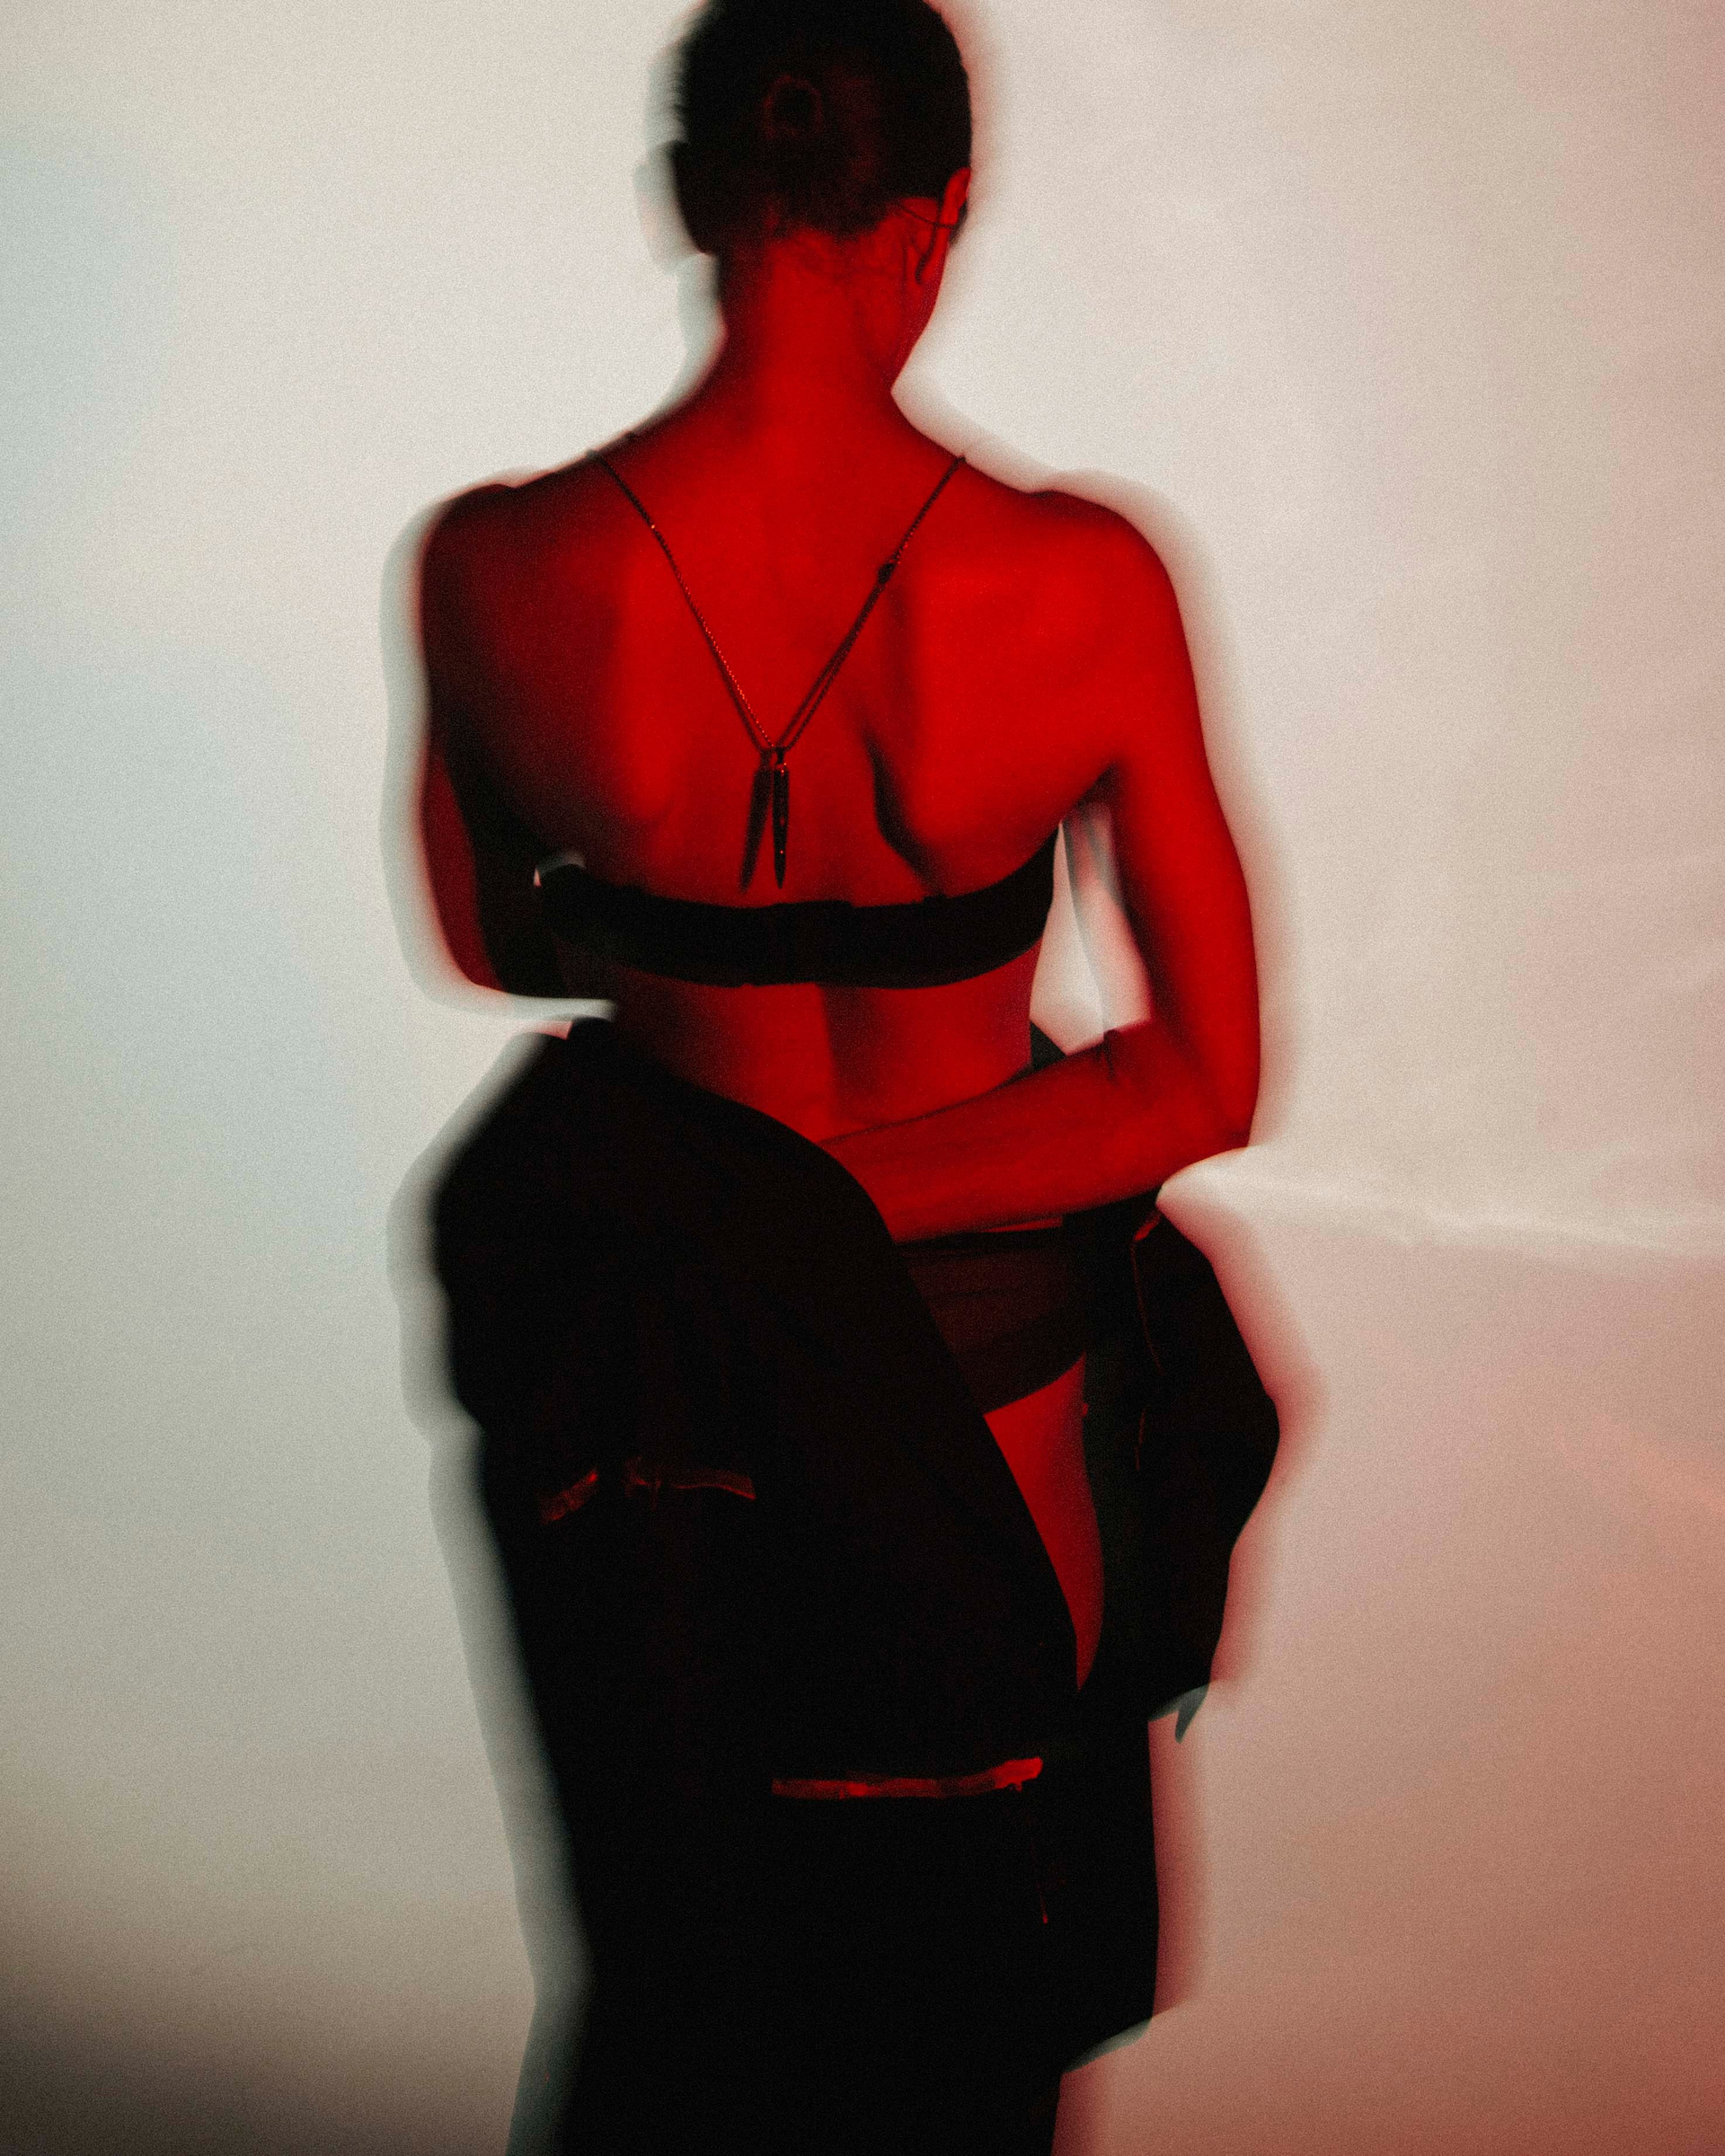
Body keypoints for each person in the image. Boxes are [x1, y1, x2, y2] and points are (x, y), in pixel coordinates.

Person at [414, 2, 1267, 2149]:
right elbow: (1201, 1079)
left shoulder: (497, 568)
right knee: (964, 2018)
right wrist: (835, 1210)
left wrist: (745, 1191)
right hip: (981, 1403)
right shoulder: (1081, 584)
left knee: (686, 2008)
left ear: (694, 197)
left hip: (671, 1421)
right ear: (937, 216)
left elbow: (490, 938)